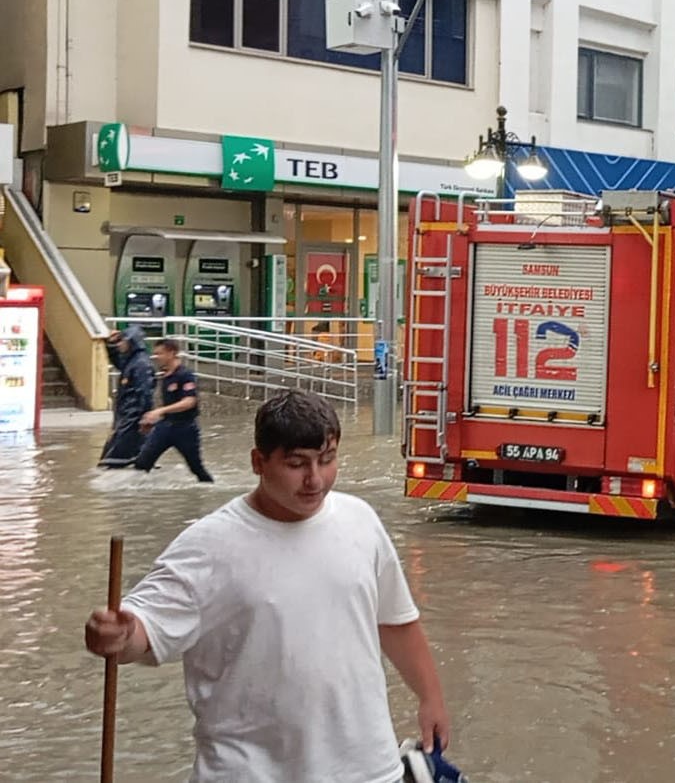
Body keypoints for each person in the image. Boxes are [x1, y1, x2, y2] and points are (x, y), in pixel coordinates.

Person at [84, 390, 451, 782]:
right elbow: (144, 630)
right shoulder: (210, 545)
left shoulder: (360, 520)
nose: (315, 480)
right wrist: (117, 634)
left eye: (327, 460)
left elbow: (394, 621)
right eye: (296, 464)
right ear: (259, 462)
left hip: (369, 769)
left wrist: (430, 697)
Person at [132, 338, 214, 482]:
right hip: (165, 427)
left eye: (160, 354)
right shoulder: (165, 376)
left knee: (196, 468)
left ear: (172, 353)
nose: (156, 358)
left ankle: (209, 489)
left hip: (185, 429)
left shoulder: (185, 375)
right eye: (155, 354)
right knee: (142, 463)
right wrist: (152, 419)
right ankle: (139, 499)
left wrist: (160, 411)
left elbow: (189, 402)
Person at [99, 325, 154, 468]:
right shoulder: (132, 361)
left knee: (113, 462)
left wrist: (143, 418)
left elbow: (145, 394)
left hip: (132, 420)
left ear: (131, 342)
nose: (120, 344)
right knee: (112, 460)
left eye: (122, 341)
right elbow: (118, 362)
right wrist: (110, 344)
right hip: (125, 419)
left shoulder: (141, 364)